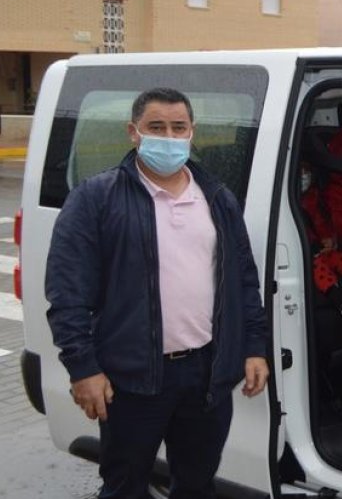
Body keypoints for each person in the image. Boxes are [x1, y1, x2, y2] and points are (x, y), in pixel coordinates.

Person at [45, 87, 268, 499]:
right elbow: (67, 294)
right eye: (156, 127)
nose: (168, 136)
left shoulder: (217, 198)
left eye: (178, 127)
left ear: (191, 132)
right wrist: (82, 368)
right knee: (125, 486)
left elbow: (243, 281)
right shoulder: (96, 198)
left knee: (198, 483)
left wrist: (254, 347)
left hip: (206, 375)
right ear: (134, 132)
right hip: (132, 378)